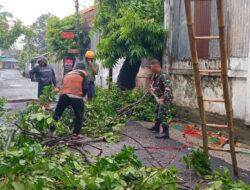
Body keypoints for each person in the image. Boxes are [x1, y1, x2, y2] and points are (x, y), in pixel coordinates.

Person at [49, 63, 88, 140]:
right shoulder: (84, 73)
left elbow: (63, 85)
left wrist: (69, 101)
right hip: (76, 95)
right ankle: (75, 134)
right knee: (79, 115)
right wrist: (82, 97)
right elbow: (85, 88)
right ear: (83, 69)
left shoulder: (68, 73)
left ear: (75, 68)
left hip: (63, 95)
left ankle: (51, 131)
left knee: (57, 114)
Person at [148, 59, 173, 139]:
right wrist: (154, 89)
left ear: (156, 66)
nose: (150, 68)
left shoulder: (164, 75)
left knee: (162, 114)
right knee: (157, 111)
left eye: (151, 66)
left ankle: (166, 133)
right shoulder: (157, 75)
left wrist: (162, 98)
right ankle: (156, 127)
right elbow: (160, 86)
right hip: (160, 97)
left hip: (165, 98)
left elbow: (168, 88)